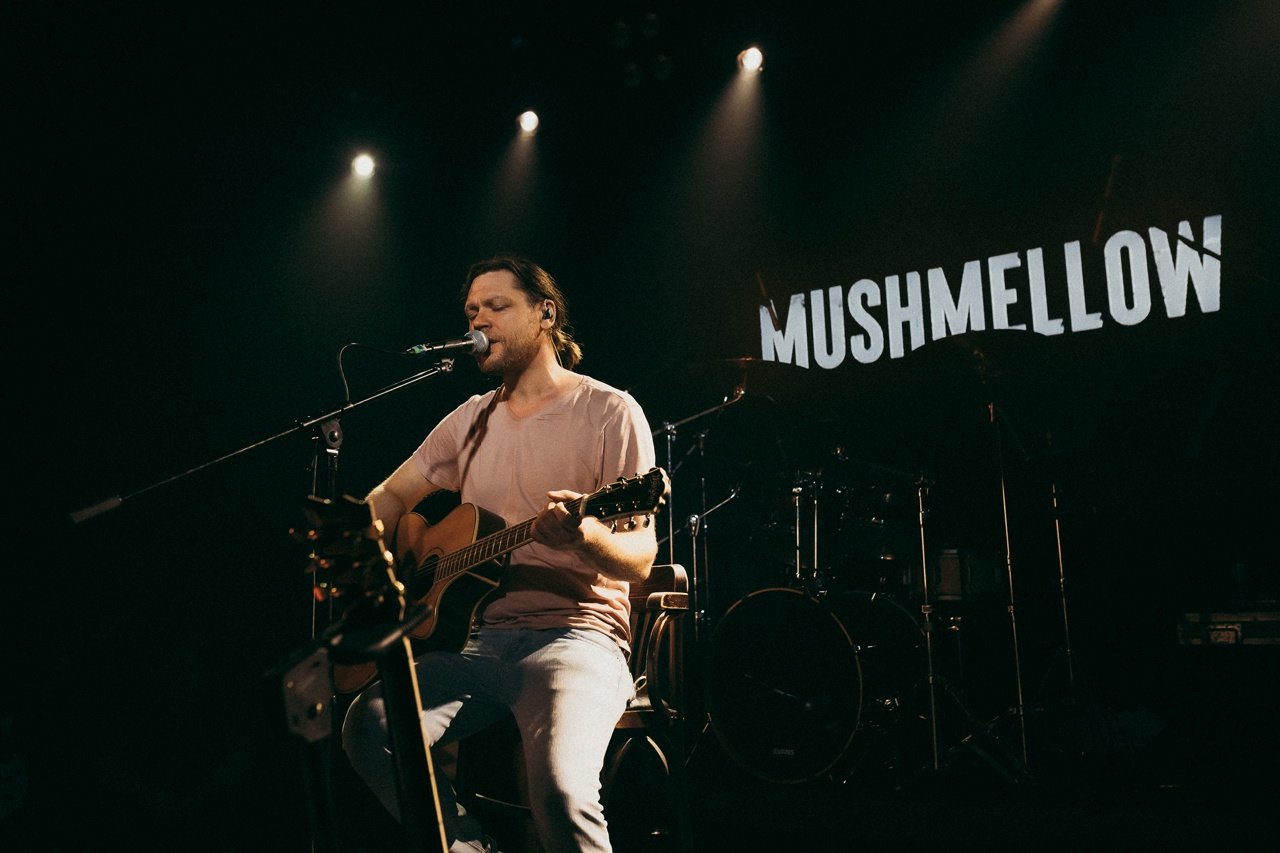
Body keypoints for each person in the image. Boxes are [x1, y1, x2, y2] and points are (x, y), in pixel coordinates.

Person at [342, 256, 660, 853]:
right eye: (471, 311)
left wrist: (585, 537)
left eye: (496, 306)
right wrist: (361, 547)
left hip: (578, 640)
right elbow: (392, 495)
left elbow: (640, 557)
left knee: (562, 794)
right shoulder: (470, 419)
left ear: (546, 314)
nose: (478, 320)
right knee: (369, 726)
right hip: (479, 643)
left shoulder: (610, 412)